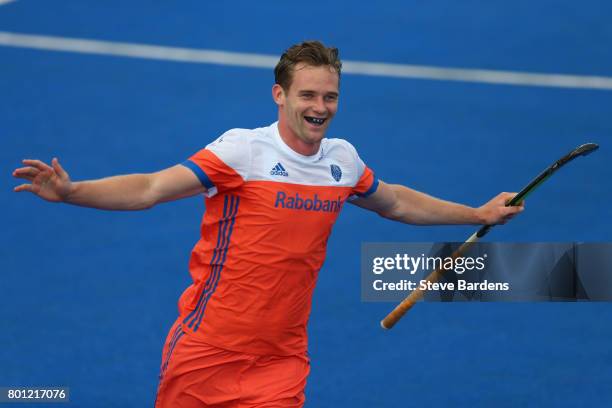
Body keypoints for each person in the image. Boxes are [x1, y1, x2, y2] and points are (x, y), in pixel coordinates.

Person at [12, 40, 523, 407]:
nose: (320, 108)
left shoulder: (341, 161)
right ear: (279, 95)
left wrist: (476, 213)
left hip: (281, 359)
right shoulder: (242, 151)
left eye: (330, 97)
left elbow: (394, 202)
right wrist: (73, 192)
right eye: (308, 96)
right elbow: (150, 189)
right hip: (206, 352)